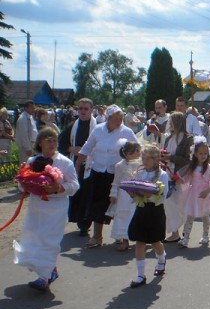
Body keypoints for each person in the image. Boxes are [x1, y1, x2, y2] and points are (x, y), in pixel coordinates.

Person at [13, 127, 79, 292]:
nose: (52, 143)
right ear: (40, 143)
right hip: (36, 206)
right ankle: (50, 270)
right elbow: (22, 188)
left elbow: (75, 186)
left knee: (49, 241)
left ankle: (44, 278)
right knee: (34, 238)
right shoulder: (31, 161)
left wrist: (58, 188)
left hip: (56, 208)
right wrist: (24, 180)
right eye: (48, 140)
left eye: (54, 140)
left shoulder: (65, 162)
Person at [75, 104, 138, 248]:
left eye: (120, 119)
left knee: (118, 205)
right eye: (116, 119)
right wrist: (78, 163)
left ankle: (120, 236)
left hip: (119, 174)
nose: (118, 122)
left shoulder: (126, 132)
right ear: (108, 119)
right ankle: (97, 236)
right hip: (98, 172)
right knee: (97, 204)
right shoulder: (98, 130)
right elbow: (87, 146)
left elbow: (137, 148)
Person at [127, 144, 170, 287]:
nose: (145, 161)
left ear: (156, 159)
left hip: (155, 211)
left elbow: (162, 197)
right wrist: (132, 192)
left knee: (155, 241)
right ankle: (140, 275)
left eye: (149, 158)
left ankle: (161, 258)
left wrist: (148, 194)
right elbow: (135, 192)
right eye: (143, 158)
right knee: (139, 242)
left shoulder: (162, 175)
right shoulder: (140, 173)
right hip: (141, 210)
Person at [58, 98, 97, 236]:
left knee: (89, 196)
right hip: (76, 166)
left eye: (86, 109)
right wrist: (72, 149)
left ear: (91, 110)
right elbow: (61, 145)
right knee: (78, 194)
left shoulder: (98, 127)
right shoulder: (71, 126)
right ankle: (79, 220)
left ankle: (85, 224)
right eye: (80, 108)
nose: (83, 111)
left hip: (93, 167)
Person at [178, 138, 210, 247]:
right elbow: (186, 179)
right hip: (193, 195)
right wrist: (179, 179)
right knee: (190, 217)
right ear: (195, 154)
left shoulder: (209, 168)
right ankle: (185, 238)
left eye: (205, 153)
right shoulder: (192, 167)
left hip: (206, 195)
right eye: (200, 153)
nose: (203, 155)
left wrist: (207, 192)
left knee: (205, 216)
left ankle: (205, 236)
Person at [161, 112, 193, 242]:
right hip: (168, 174)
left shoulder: (187, 139)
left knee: (180, 204)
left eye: (172, 122)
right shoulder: (169, 138)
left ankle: (184, 232)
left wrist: (170, 158)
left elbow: (188, 160)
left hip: (181, 175)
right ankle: (175, 232)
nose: (170, 124)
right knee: (169, 204)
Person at [109, 141, 142, 251]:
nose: (139, 152)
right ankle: (124, 240)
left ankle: (140, 239)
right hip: (124, 195)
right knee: (124, 216)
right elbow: (116, 181)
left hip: (137, 193)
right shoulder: (120, 165)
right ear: (128, 153)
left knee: (137, 216)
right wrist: (113, 194)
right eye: (136, 150)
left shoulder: (142, 164)